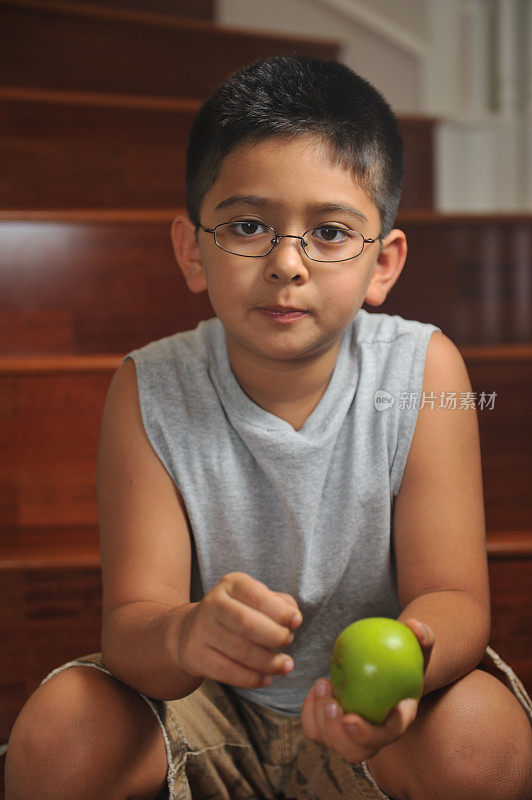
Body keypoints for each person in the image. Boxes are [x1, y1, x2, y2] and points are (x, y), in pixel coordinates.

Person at [5, 55, 532, 800]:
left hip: (370, 724)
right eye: (248, 225)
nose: (288, 263)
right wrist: (186, 634)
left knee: (486, 739)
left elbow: (455, 598)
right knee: (60, 734)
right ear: (192, 250)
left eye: (328, 231)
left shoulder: (426, 370)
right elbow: (132, 626)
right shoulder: (149, 387)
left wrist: (408, 665)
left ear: (384, 263)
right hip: (206, 707)